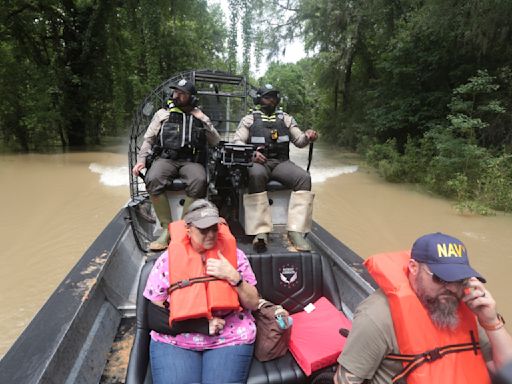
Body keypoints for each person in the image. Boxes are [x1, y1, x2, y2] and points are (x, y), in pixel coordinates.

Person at [335, 232, 512, 384]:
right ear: (413, 267)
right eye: (441, 278)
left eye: (458, 280)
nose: (451, 288)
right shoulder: (377, 316)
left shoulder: (467, 307)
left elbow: (508, 372)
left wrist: (490, 321)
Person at [143, 199, 260, 384]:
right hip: (177, 338)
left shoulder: (236, 257)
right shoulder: (168, 261)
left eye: (214, 228)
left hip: (228, 336)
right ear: (188, 230)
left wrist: (234, 277)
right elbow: (154, 316)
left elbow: (253, 303)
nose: (211, 234)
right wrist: (201, 326)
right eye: (204, 230)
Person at [132, 79, 221, 251]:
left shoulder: (200, 116)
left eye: (182, 93)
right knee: (153, 177)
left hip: (190, 161)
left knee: (199, 180)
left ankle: (181, 227)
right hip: (167, 159)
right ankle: (167, 229)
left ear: (191, 98)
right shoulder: (162, 114)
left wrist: (203, 120)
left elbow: (215, 141)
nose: (177, 96)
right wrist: (141, 160)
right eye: (175, 92)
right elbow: (148, 140)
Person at [232, 84, 318, 252]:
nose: (271, 100)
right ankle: (260, 231)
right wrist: (251, 154)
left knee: (304, 178)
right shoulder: (249, 119)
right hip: (258, 163)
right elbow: (237, 142)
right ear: (259, 99)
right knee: (256, 175)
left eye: (273, 97)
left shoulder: (286, 119)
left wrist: (308, 136)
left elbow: (299, 141)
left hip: (281, 162)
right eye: (267, 97)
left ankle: (295, 231)